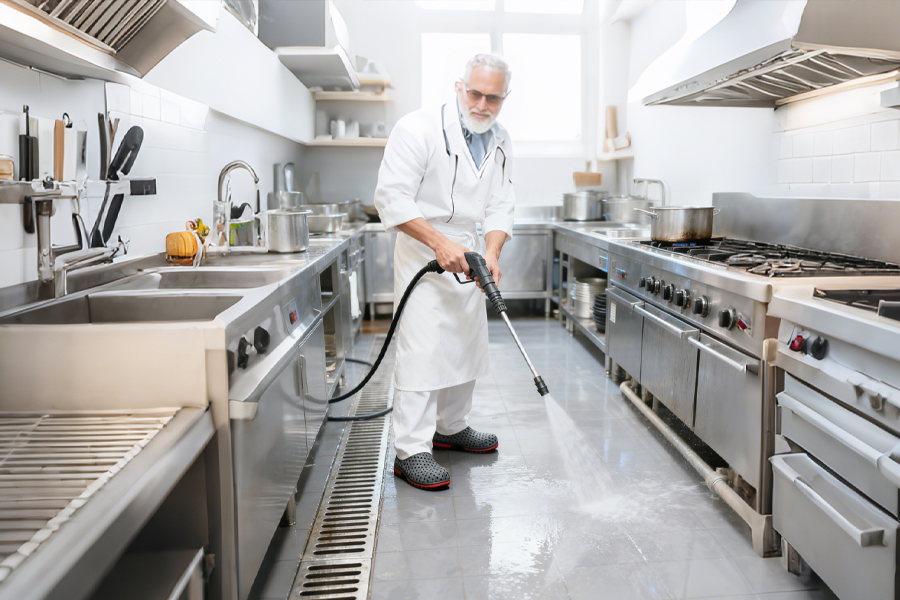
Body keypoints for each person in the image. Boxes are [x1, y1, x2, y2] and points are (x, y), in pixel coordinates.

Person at [373, 53, 515, 490]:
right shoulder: (416, 128)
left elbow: (500, 204)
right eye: (475, 93)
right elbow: (391, 198)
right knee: (424, 346)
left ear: (503, 98)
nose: (482, 104)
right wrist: (438, 243)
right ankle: (411, 450)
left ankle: (451, 428)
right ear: (459, 87)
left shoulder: (502, 139)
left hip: (470, 251)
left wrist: (491, 250)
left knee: (464, 343)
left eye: (493, 97)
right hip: (422, 249)